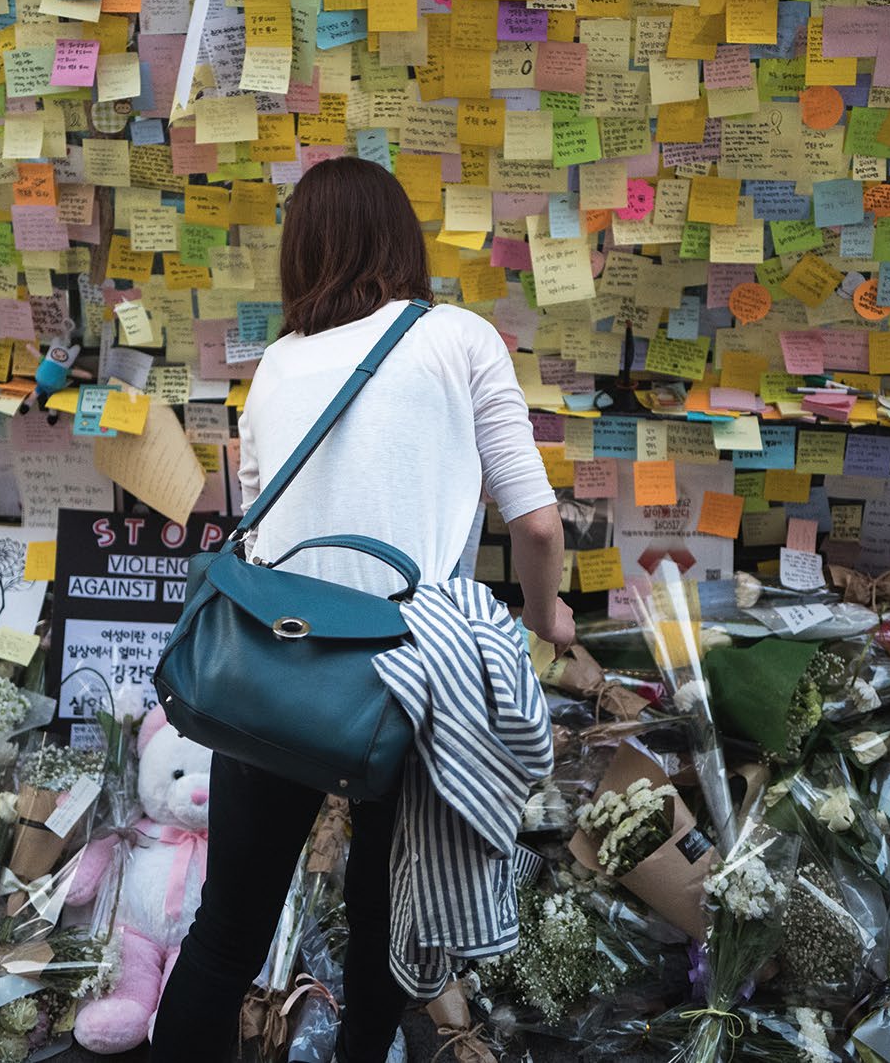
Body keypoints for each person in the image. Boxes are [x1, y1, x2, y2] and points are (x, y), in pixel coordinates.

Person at [149, 157, 574, 1062]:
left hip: (280, 661)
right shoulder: (460, 337)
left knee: (226, 935)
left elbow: (262, 546)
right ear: (402, 239)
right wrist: (549, 627)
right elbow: (535, 524)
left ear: (301, 252)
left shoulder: (274, 366)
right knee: (385, 931)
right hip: (405, 678)